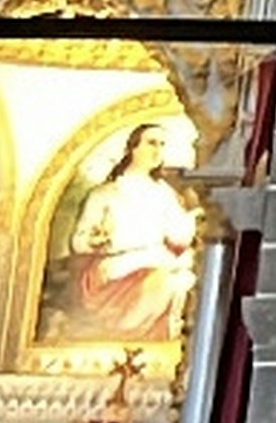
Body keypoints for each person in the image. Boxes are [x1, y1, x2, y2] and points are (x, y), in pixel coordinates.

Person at [38, 113, 207, 350]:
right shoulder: (106, 193)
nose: (157, 149)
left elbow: (179, 236)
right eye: (151, 142)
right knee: (165, 281)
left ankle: (164, 345)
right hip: (119, 266)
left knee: (187, 278)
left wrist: (196, 216)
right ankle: (133, 339)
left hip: (157, 259)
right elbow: (80, 241)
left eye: (161, 144)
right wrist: (95, 239)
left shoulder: (163, 193)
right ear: (133, 148)